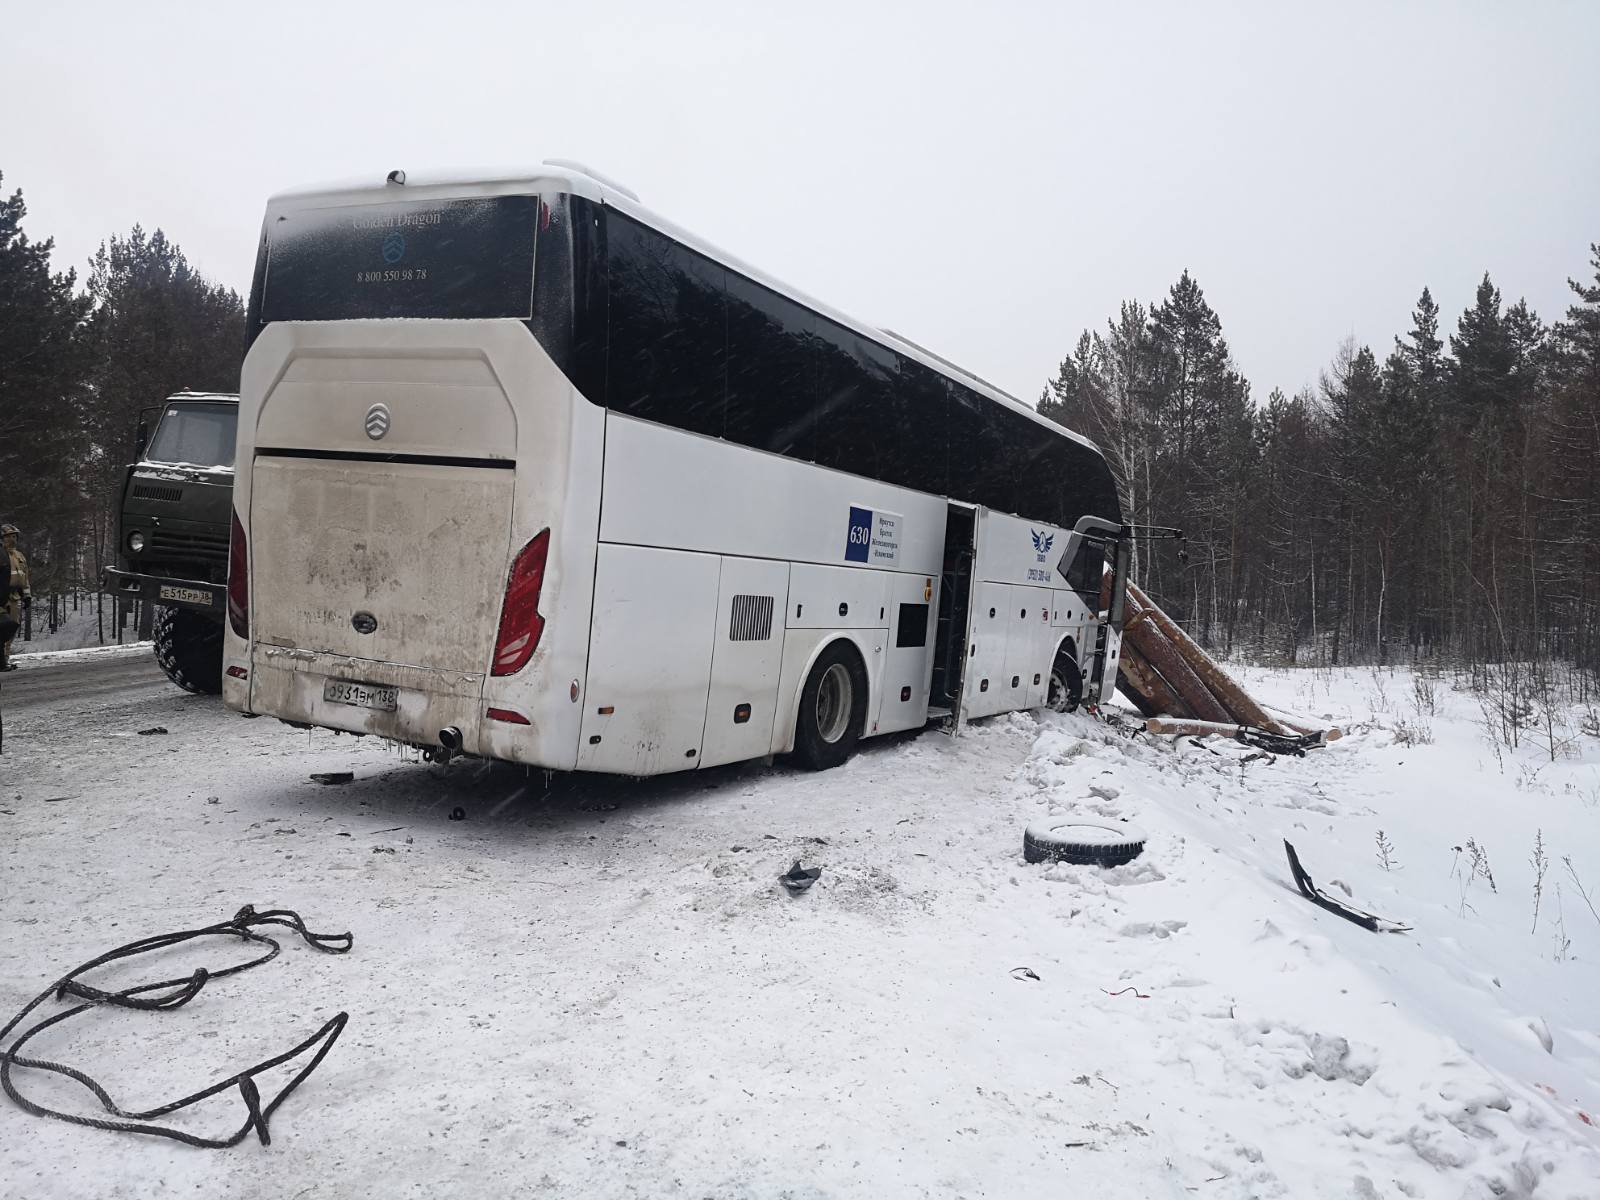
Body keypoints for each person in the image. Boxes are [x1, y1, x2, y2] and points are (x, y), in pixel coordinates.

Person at [2, 523, 29, 671]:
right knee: (2, 629)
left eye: (14, 536)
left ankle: (5, 659)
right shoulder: (1, 555)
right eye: (9, 536)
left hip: (15, 598)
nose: (12, 539)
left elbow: (25, 578)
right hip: (2, 597)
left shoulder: (20, 556)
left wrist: (27, 595)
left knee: (11, 629)